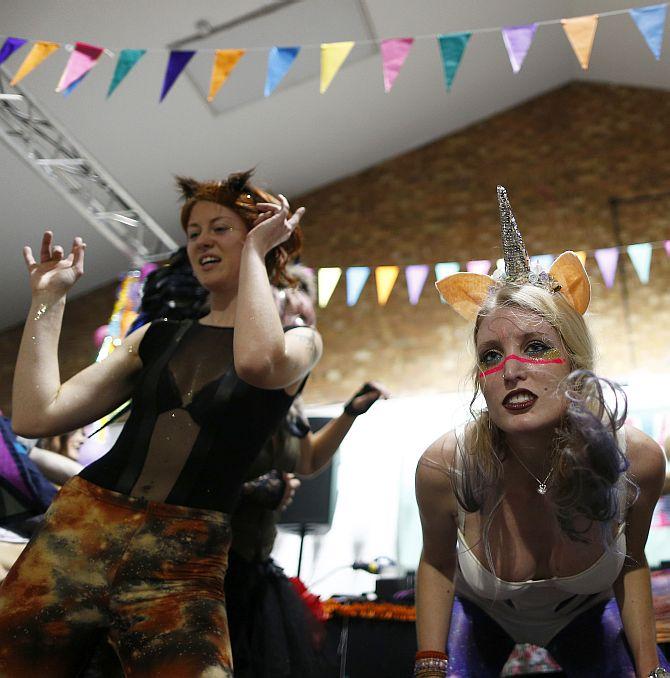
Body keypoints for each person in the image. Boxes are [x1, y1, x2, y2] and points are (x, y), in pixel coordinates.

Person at [1, 169, 322, 677]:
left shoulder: (300, 341)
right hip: (83, 524)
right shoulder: (154, 337)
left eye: (221, 227)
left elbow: (258, 364)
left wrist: (260, 254)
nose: (201, 241)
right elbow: (35, 414)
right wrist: (48, 300)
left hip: (183, 553)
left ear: (263, 233)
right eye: (193, 232)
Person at [414, 187, 669, 678]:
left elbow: (632, 562)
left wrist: (650, 670)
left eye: (534, 346)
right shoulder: (444, 467)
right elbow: (437, 563)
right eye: (491, 355)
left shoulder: (635, 460)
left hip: (589, 618)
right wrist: (429, 663)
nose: (511, 370)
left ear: (574, 360)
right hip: (479, 620)